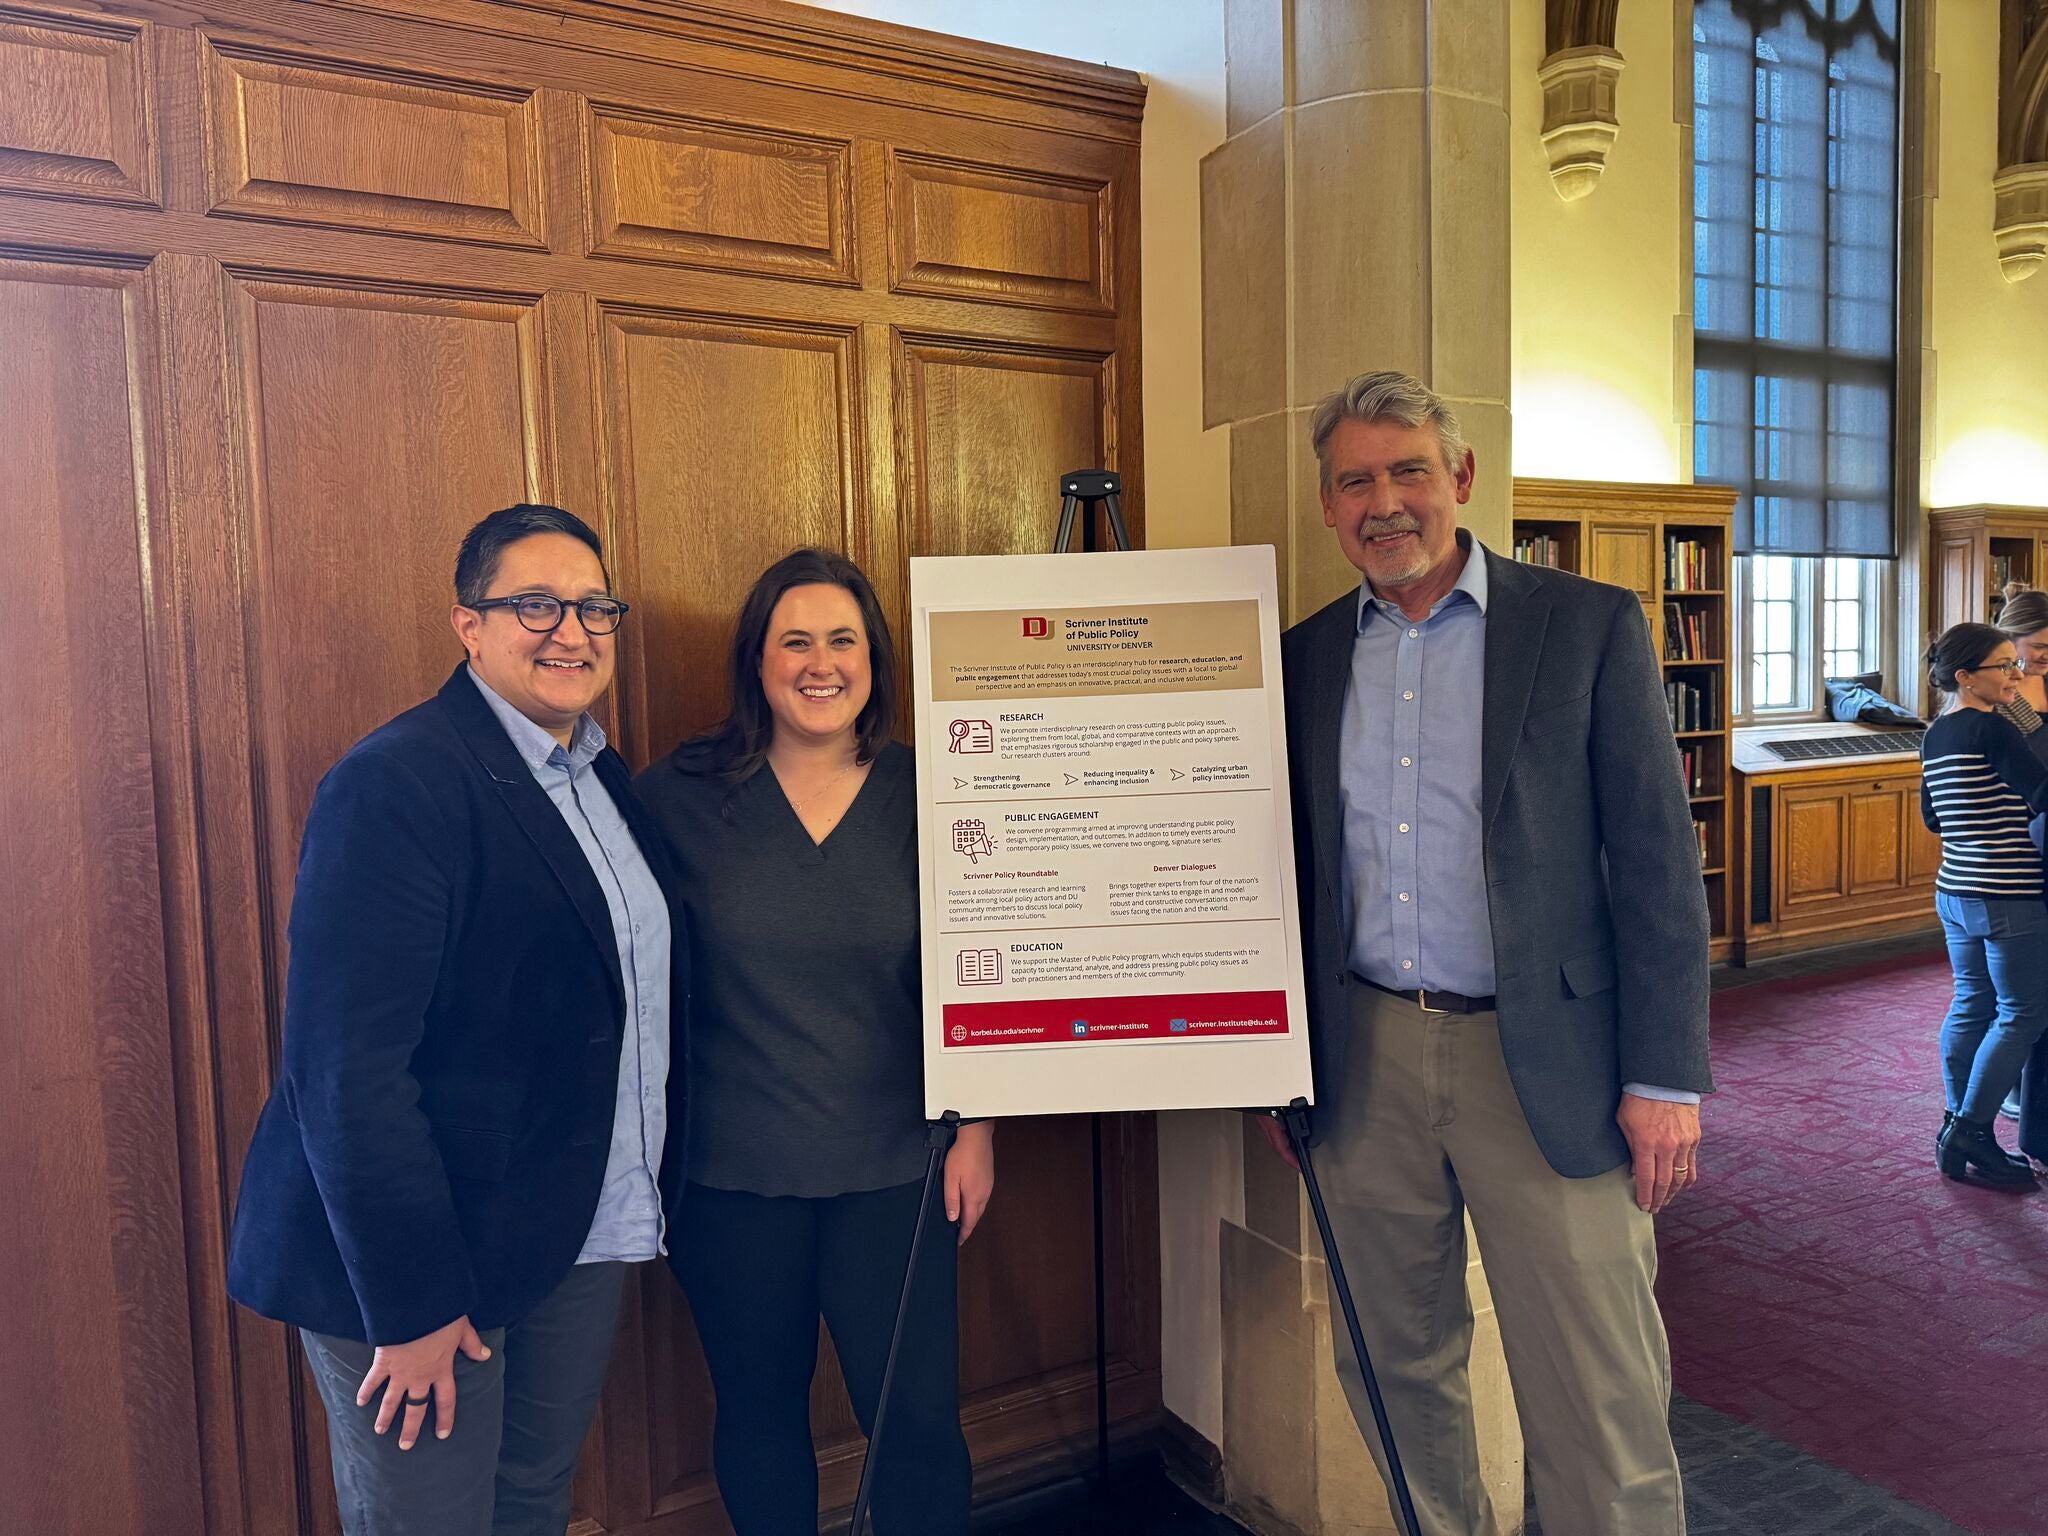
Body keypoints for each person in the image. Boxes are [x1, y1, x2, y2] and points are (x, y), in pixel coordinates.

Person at [1265, 371, 1710, 1534]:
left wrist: (1664, 1079)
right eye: (1354, 480)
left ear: (1458, 480)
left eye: (1408, 469)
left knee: (1596, 1389)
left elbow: (1658, 868)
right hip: (1364, 1061)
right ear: (1325, 507)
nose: (1385, 502)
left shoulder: (1585, 627)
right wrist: (1284, 1060)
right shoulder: (1303, 658)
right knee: (1394, 1369)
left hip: (1549, 1062)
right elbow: (1287, 876)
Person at [227, 505, 688, 1536]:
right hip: (421, 1259)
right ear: (467, 626)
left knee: (529, 1503)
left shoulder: (600, 776)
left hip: (571, 1229)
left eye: (592, 607)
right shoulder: (396, 782)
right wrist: (415, 1300)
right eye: (534, 604)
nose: (570, 631)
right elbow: (344, 1074)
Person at [636, 548, 988, 1535]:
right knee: (756, 1418)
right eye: (794, 640)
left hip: (897, 1168)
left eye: (842, 639)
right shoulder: (679, 796)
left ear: (874, 659)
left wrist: (979, 1127)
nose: (819, 662)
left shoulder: (939, 792)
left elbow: (980, 961)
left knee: (915, 1425)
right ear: (757, 661)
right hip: (728, 1179)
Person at [1921, 621, 2048, 1189]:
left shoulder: (1938, 731)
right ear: (1967, 677)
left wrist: (2016, 708)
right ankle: (1972, 1129)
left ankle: (1955, 1122)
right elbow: (2045, 790)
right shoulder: (1991, 730)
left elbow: (1932, 817)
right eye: (2005, 666)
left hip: (1955, 888)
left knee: (1972, 1003)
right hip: (2006, 892)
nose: (2017, 674)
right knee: (2022, 1013)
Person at [1992, 587, 2048, 1134]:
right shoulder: (2004, 697)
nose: (2044, 659)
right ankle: (2008, 1090)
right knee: (2012, 990)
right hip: (2013, 845)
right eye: (2040, 649)